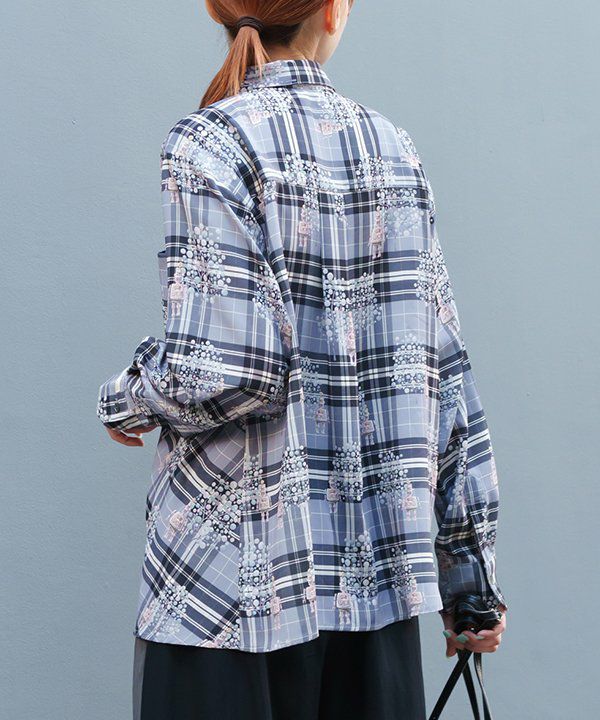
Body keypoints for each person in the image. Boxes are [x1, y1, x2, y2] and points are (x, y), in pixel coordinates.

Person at [96, 1, 509, 718]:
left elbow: (228, 368)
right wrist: (469, 583)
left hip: (226, 592)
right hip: (372, 590)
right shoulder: (393, 148)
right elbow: (443, 371)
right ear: (333, 12)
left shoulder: (210, 142)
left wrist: (127, 396)